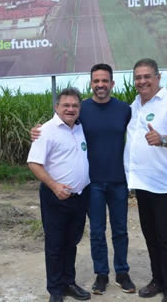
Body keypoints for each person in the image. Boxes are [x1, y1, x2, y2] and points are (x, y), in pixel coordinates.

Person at [32, 63, 136, 295]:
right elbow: (59, 125)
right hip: (92, 184)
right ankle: (101, 274)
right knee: (97, 232)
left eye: (105, 80)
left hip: (119, 181)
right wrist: (37, 131)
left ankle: (122, 272)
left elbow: (138, 136)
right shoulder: (82, 109)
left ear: (112, 83)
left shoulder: (124, 110)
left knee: (120, 230)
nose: (100, 85)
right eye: (96, 81)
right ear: (91, 84)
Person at [124, 58, 167, 302]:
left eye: (147, 76)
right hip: (144, 184)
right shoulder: (134, 106)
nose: (142, 81)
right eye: (138, 77)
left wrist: (163, 139)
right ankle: (158, 280)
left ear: (158, 77)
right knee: (151, 236)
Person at [27, 87, 92, 302]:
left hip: (79, 197)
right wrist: (54, 186)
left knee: (71, 242)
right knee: (55, 245)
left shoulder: (80, 128)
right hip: (55, 197)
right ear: (57, 107)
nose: (70, 109)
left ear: (79, 108)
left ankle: (68, 283)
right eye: (66, 105)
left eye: (74, 106)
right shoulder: (46, 131)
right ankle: (55, 290)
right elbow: (34, 163)